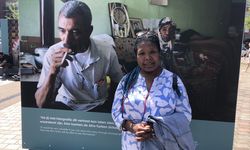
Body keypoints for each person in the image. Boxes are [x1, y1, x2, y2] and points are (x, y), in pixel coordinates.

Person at [112, 31, 194, 149]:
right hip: (132, 145)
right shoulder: (126, 81)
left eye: (152, 52)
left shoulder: (173, 81)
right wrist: (132, 127)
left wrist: (156, 128)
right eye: (142, 53)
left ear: (159, 53)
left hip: (163, 145)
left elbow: (185, 116)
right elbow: (116, 112)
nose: (148, 58)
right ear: (136, 56)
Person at [35, 1, 123, 111]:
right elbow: (40, 104)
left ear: (89, 31)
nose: (66, 40)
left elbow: (118, 83)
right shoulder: (53, 53)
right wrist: (52, 72)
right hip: (66, 105)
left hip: (98, 105)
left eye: (75, 32)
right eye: (62, 30)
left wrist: (110, 108)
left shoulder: (106, 51)